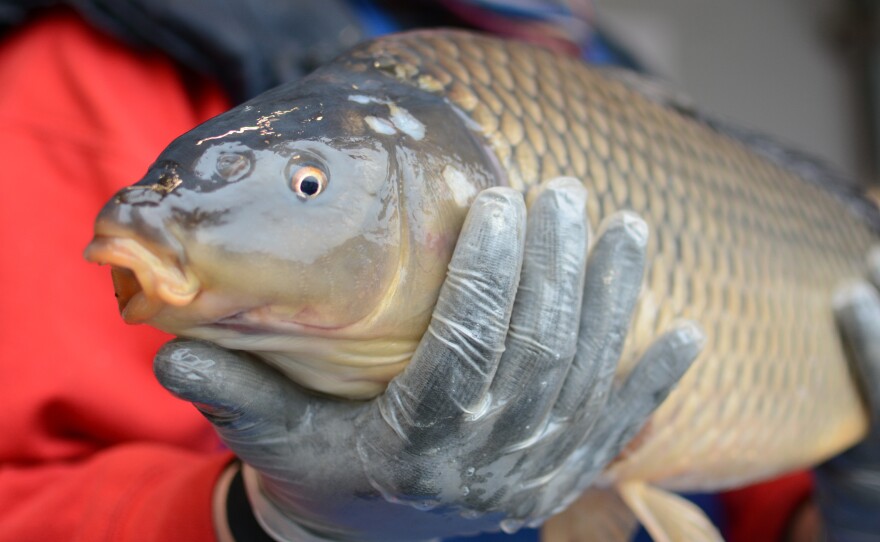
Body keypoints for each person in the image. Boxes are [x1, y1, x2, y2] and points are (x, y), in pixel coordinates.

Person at [0, 4, 877, 542]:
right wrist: (277, 521)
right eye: (311, 184)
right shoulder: (104, 67)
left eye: (309, 184)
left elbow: (763, 498)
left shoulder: (617, 84)